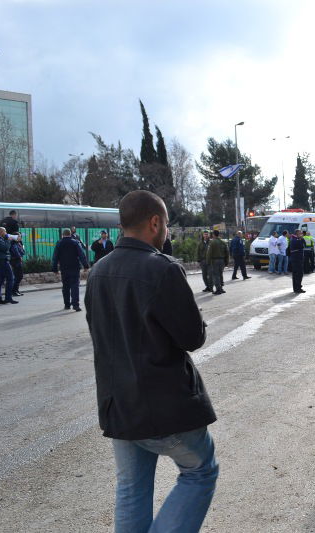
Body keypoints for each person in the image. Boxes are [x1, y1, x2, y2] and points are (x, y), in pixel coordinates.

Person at [84, 190, 218, 533]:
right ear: (154, 222)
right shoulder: (162, 269)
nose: (168, 232)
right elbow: (192, 338)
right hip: (164, 406)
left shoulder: (98, 271)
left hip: (120, 405)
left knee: (131, 489)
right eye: (168, 225)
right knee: (200, 472)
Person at [52, 228, 90, 311]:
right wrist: (86, 266)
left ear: (62, 234)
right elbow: (81, 255)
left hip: (64, 268)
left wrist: (55, 269)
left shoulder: (59, 243)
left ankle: (67, 305)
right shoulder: (75, 242)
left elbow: (55, 257)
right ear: (70, 234)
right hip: (74, 268)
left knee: (65, 287)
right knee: (75, 286)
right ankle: (76, 305)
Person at [0, 227, 17, 305]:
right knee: (11, 278)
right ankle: (8, 298)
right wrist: (8, 240)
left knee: (1, 280)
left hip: (1, 261)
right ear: (1, 232)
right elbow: (5, 248)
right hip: (2, 261)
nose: (6, 233)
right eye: (5, 231)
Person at [206, 230, 229, 295]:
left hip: (215, 261)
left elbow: (209, 253)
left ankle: (218, 289)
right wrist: (226, 261)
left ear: (213, 234)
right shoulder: (223, 242)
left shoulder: (212, 242)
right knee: (220, 274)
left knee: (216, 275)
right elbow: (227, 253)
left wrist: (208, 262)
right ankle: (221, 288)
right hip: (222, 261)